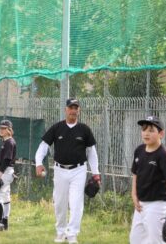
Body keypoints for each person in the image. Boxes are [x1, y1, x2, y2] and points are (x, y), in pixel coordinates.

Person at [35, 98, 100, 244]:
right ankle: (60, 232)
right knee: (59, 202)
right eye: (71, 107)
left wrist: (96, 173)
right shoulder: (57, 128)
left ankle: (72, 234)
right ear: (65, 109)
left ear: (79, 110)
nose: (73, 110)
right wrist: (38, 163)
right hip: (60, 170)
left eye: (76, 108)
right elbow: (43, 146)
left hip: (79, 170)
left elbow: (92, 153)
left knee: (76, 202)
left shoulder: (84, 129)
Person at [130, 115, 166, 244]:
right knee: (135, 239)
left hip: (157, 206)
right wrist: (134, 195)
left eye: (151, 130)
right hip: (140, 206)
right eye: (144, 129)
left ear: (161, 134)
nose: (146, 133)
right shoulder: (139, 150)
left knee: (156, 241)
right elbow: (135, 174)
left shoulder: (163, 155)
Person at [0, 119, 17, 231]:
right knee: (5, 197)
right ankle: (4, 223)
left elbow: (6, 160)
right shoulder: (6, 141)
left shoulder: (9, 142)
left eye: (4, 128)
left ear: (9, 130)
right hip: (6, 171)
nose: (1, 130)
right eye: (0, 128)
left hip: (5, 172)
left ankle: (0, 224)